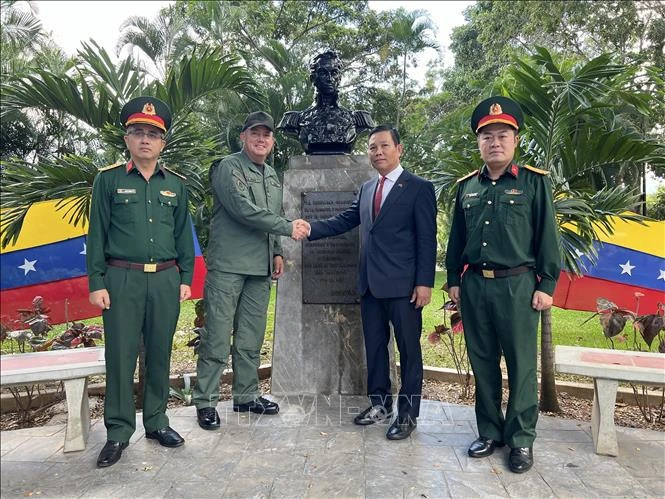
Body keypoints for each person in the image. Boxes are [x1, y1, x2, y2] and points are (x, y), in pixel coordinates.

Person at [445, 96, 560, 473]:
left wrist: (547, 284)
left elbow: (547, 237)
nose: (495, 142)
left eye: (502, 135)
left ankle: (521, 439)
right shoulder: (467, 188)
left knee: (522, 365)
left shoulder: (533, 183)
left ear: (515, 140)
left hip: (519, 287)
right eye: (487, 136)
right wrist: (453, 281)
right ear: (478, 142)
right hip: (476, 286)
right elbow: (456, 239)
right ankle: (490, 432)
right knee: (483, 363)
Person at [303, 125, 437, 440]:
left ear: (399, 149)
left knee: (408, 351)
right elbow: (346, 221)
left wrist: (424, 283)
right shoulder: (367, 189)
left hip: (404, 288)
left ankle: (407, 414)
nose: (377, 152)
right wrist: (309, 228)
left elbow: (427, 240)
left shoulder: (418, 188)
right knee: (374, 348)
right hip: (370, 286)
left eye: (384, 146)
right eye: (373, 147)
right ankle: (380, 404)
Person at [87, 97, 194, 468]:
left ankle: (156, 422)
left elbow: (184, 236)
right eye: (137, 133)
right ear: (127, 139)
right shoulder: (109, 180)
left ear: (162, 142)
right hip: (121, 279)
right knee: (120, 356)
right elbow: (96, 234)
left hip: (165, 279)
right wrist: (97, 282)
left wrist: (186, 278)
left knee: (160, 352)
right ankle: (118, 432)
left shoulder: (176, 186)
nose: (145, 139)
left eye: (152, 134)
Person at [192, 111, 309, 429]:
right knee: (217, 336)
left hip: (259, 269)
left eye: (267, 135)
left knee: (250, 337)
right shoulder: (227, 167)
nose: (261, 139)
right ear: (242, 137)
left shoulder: (270, 173)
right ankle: (206, 401)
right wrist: (287, 228)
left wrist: (276, 251)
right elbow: (243, 210)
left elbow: (270, 211)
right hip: (229, 266)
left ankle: (246, 396)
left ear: (272, 141)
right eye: (255, 133)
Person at [278, 50, 374, 155]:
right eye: (323, 73)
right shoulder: (293, 120)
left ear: (339, 78)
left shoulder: (359, 119)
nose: (329, 79)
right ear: (313, 78)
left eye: (334, 73)